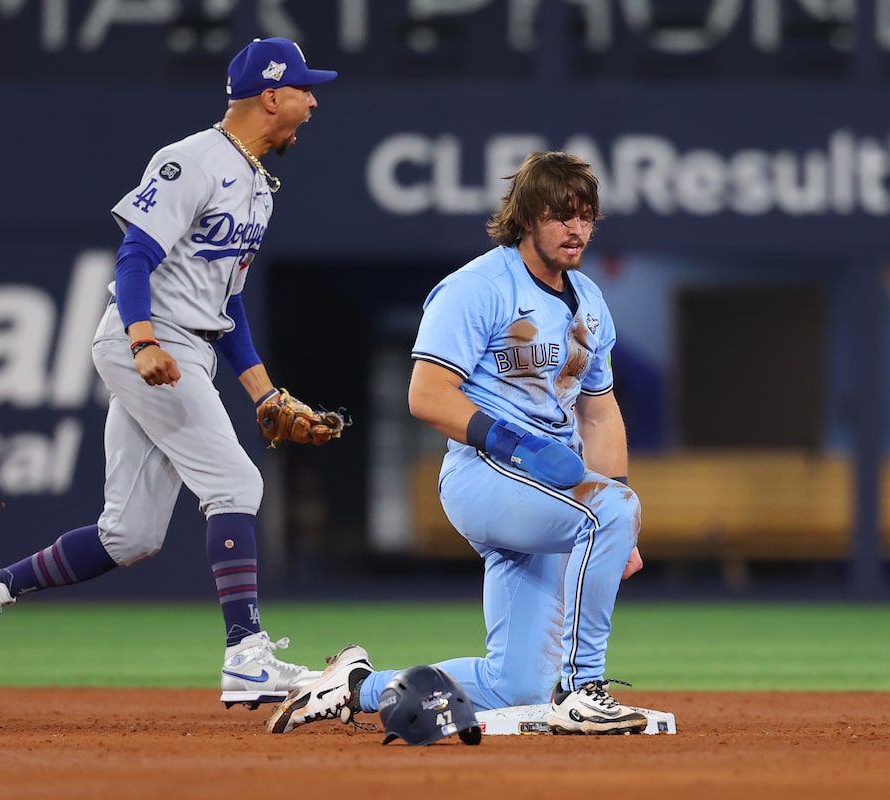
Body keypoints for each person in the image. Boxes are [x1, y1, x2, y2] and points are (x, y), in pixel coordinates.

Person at [0, 38, 340, 710]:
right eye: (304, 89)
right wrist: (143, 338)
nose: (313, 100)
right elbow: (134, 257)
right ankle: (246, 656)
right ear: (271, 97)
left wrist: (264, 392)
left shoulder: (258, 189)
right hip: (152, 344)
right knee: (236, 481)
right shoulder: (192, 160)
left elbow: (227, 304)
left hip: (185, 344)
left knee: (128, 537)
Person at [266, 151, 648, 735]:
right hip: (485, 474)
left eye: (585, 216)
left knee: (513, 685)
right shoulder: (477, 286)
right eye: (559, 215)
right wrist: (519, 445)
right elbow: (427, 395)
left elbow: (599, 412)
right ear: (525, 219)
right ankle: (583, 687)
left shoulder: (589, 301)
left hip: (549, 491)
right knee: (610, 511)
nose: (575, 229)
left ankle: (353, 686)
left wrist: (616, 519)